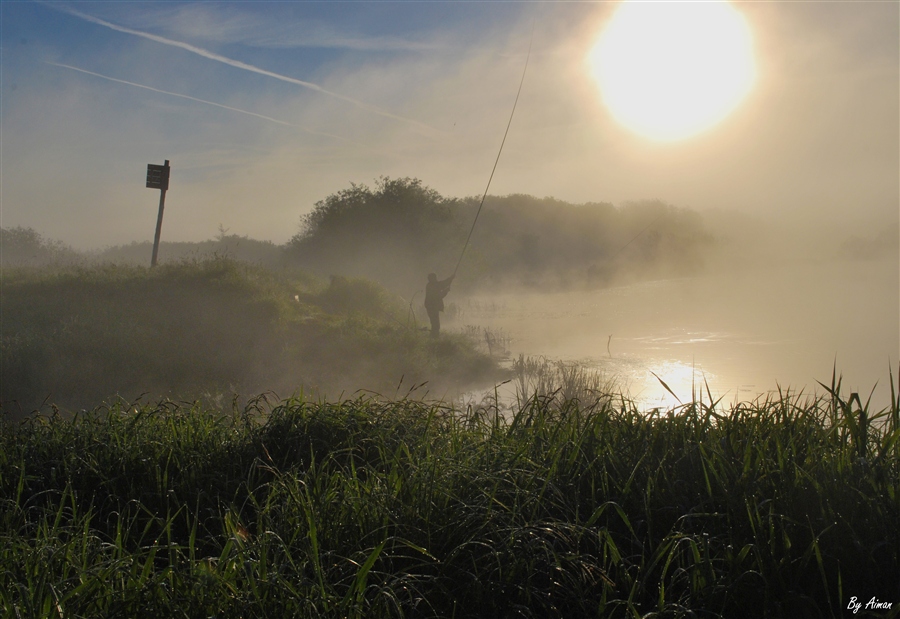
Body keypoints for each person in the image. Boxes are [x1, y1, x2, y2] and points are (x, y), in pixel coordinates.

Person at [424, 272, 454, 337]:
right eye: (434, 278)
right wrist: (446, 291)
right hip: (432, 307)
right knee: (435, 324)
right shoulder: (432, 286)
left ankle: (434, 336)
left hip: (431, 306)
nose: (436, 279)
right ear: (432, 279)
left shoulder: (431, 285)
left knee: (434, 323)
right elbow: (439, 295)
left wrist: (451, 278)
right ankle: (434, 337)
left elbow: (442, 284)